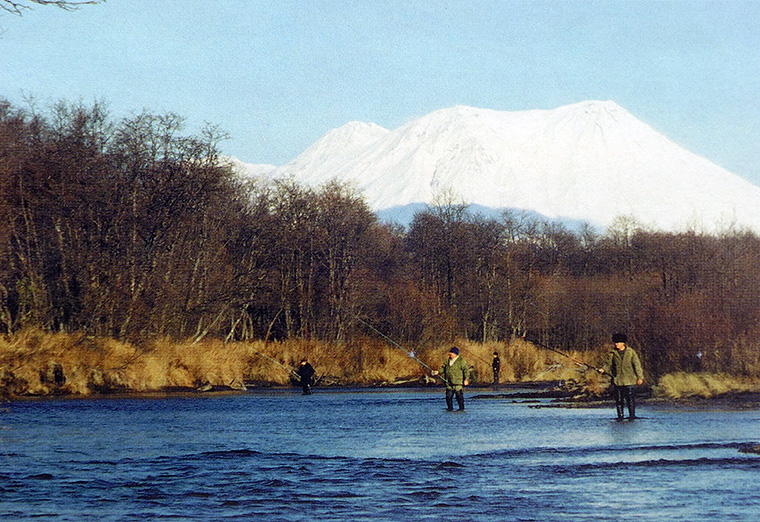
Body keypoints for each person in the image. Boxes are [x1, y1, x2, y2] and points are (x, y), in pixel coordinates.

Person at [598, 333, 644, 419]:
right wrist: (603, 369)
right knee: (618, 400)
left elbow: (637, 365)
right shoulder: (612, 353)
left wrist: (640, 377)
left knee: (630, 400)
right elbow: (608, 364)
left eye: (618, 342)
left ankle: (632, 416)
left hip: (629, 380)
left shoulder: (631, 352)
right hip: (617, 380)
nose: (616, 344)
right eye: (615, 342)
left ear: (623, 343)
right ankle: (620, 416)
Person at [432, 347, 470, 411]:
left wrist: (466, 379)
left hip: (458, 383)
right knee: (448, 397)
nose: (450, 354)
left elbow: (466, 370)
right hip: (449, 383)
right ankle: (450, 408)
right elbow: (443, 368)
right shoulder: (447, 361)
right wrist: (438, 372)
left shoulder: (461, 361)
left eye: (451, 353)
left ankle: (461, 408)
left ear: (455, 354)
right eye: (450, 352)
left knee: (459, 397)